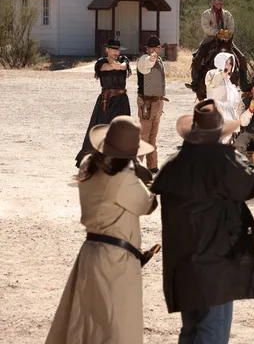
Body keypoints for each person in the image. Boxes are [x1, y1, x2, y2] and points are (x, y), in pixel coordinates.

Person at [151, 100, 254, 344]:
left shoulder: (174, 163)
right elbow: (253, 183)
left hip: (181, 263)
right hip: (215, 263)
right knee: (213, 332)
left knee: (191, 330)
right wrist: (230, 153)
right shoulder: (223, 160)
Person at [46, 116, 157, 344]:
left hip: (90, 253)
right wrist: (145, 181)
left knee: (85, 325)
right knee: (118, 329)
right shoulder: (124, 179)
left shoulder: (90, 166)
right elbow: (148, 206)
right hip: (116, 260)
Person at [75, 38, 132, 168]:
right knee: (101, 130)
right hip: (107, 101)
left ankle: (119, 163)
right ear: (107, 49)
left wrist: (119, 65)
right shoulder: (101, 62)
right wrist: (113, 65)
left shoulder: (123, 60)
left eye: (117, 49)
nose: (115, 52)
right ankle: (97, 163)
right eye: (113, 49)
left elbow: (124, 67)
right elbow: (103, 68)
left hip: (121, 100)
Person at [136, 35, 168, 174]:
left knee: (153, 135)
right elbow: (146, 65)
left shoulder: (160, 60)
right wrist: (151, 59)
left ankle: (152, 165)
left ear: (159, 49)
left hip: (157, 102)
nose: (154, 50)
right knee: (144, 135)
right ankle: (136, 166)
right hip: (146, 103)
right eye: (151, 48)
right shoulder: (144, 59)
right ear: (147, 49)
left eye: (156, 48)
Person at [205, 52, 241, 144]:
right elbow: (210, 83)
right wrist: (221, 75)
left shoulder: (228, 79)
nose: (228, 66)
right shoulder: (212, 73)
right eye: (226, 63)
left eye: (230, 64)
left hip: (228, 114)